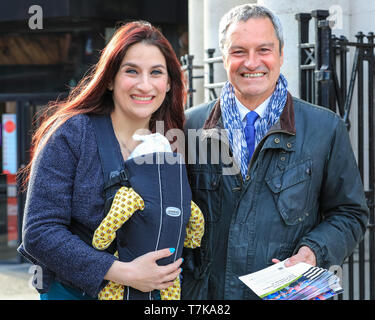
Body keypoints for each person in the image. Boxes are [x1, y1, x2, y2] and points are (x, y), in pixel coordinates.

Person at [181, 4, 369, 300]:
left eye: (264, 50)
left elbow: (349, 213)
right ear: (224, 56)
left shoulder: (325, 127)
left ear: (281, 55)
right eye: (239, 51)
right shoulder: (189, 125)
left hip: (287, 294)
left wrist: (314, 251)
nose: (252, 62)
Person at [17, 21, 192, 300]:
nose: (144, 84)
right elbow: (40, 232)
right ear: (110, 78)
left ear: (169, 83)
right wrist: (123, 272)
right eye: (131, 71)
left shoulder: (173, 142)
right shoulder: (71, 133)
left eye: (156, 73)